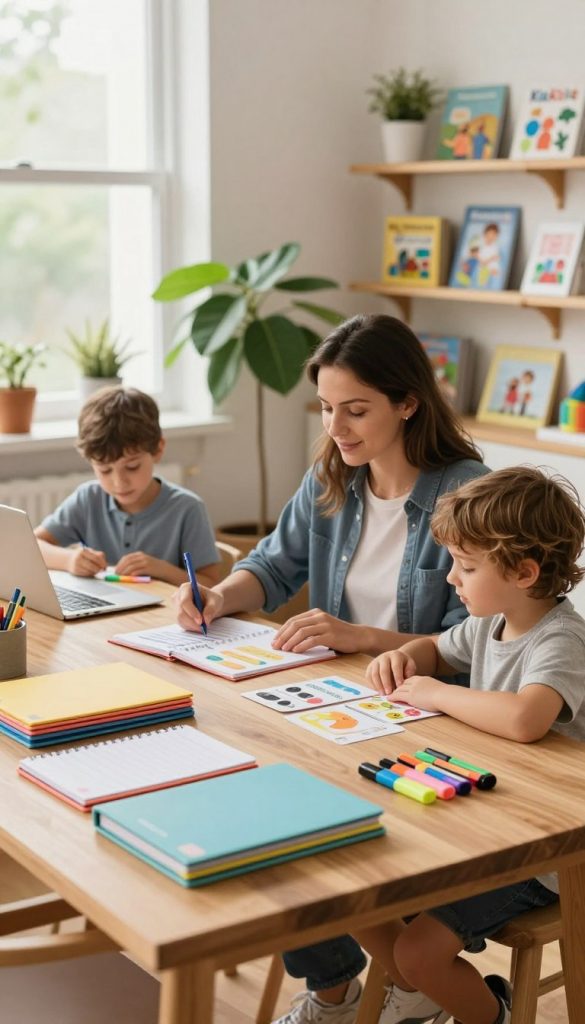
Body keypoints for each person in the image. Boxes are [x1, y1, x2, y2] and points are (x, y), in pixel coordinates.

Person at [175, 313, 489, 1024]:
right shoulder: (332, 479)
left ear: (407, 401)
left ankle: (379, 986)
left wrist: (359, 635)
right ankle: (340, 990)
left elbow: (476, 634)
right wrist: (219, 594)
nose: (336, 428)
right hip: (341, 702)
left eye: (355, 410)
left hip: (434, 715)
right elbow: (271, 564)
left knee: (284, 816)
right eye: (325, 408)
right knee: (257, 805)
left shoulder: (467, 491)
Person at [361, 466, 585, 1024]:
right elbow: (436, 650)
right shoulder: (490, 622)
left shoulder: (562, 638)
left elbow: (527, 718)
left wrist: (436, 694)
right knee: (350, 899)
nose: (451, 578)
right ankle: (422, 992)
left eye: (466, 566)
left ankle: (488, 1014)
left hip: (542, 854)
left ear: (524, 573)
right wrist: (406, 658)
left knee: (415, 950)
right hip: (481, 822)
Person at [34, 386, 220, 587]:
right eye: (105, 470)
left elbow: (209, 584)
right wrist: (69, 560)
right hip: (104, 611)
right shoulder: (88, 499)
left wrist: (162, 570)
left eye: (132, 467)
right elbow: (31, 545)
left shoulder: (187, 509)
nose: (119, 482)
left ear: (158, 449)